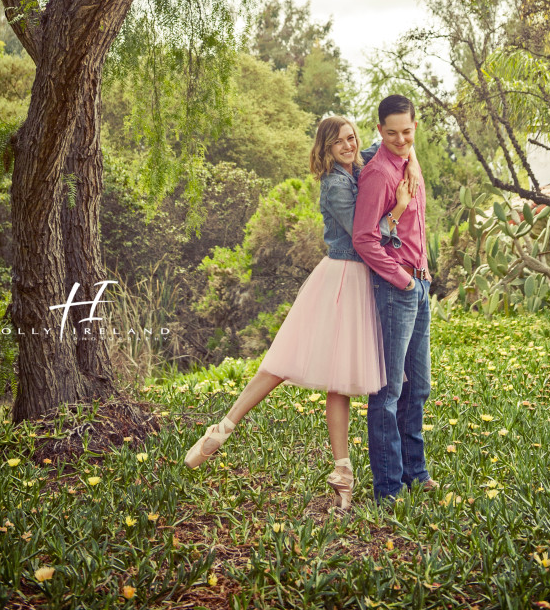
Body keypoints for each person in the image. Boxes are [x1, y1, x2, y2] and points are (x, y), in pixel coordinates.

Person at [184, 115, 419, 512]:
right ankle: (223, 428)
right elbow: (368, 235)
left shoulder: (358, 164)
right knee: (285, 362)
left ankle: (342, 474)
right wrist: (397, 208)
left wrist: (406, 156)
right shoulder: (334, 185)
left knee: (338, 379)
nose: (347, 146)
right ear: (325, 149)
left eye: (350, 138)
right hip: (344, 277)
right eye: (338, 142)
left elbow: (396, 147)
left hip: (362, 280)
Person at [352, 94, 436, 502]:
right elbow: (365, 238)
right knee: (388, 392)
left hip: (420, 286)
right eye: (392, 133)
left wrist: (423, 271)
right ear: (379, 130)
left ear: (414, 126)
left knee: (417, 387)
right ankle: (388, 489)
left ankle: (416, 474)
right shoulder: (378, 175)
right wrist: (402, 279)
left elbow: (416, 223)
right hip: (395, 289)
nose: (401, 139)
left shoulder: (409, 160)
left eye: (407, 131)